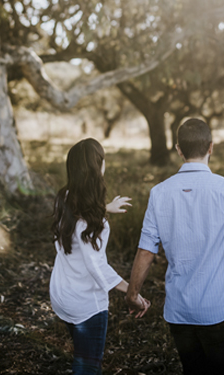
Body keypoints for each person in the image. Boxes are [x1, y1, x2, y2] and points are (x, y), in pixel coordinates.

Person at [125, 118, 224, 375]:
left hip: (179, 312)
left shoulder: (159, 192)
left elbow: (146, 251)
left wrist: (132, 294)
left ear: (178, 149)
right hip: (218, 311)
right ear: (211, 147)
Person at [50, 138, 150, 375]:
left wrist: (105, 207)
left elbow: (80, 216)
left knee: (80, 353)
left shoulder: (63, 197)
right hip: (85, 304)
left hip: (61, 293)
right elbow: (97, 266)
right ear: (99, 167)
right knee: (87, 368)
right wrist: (132, 292)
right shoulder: (94, 223)